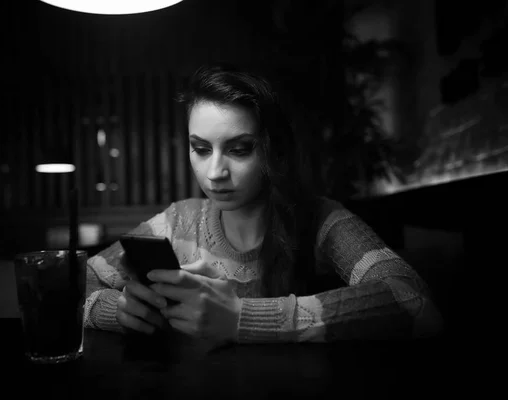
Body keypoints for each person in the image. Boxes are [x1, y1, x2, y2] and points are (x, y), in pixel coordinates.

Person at [83, 63, 443, 349]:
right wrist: (121, 311)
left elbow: (414, 302)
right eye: (201, 148)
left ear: (274, 149)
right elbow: (79, 281)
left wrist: (241, 318)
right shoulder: (179, 220)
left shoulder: (319, 219)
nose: (215, 172)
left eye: (240, 149)